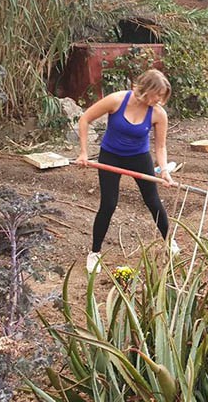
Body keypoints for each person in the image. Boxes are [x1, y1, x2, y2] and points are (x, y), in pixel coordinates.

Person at [76, 69, 175, 273]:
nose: (159, 100)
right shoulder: (117, 100)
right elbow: (85, 119)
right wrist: (84, 153)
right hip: (111, 155)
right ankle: (94, 253)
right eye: (157, 95)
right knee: (109, 204)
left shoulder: (158, 113)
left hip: (139, 157)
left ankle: (169, 243)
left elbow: (160, 147)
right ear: (147, 89)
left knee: (153, 201)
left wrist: (164, 170)